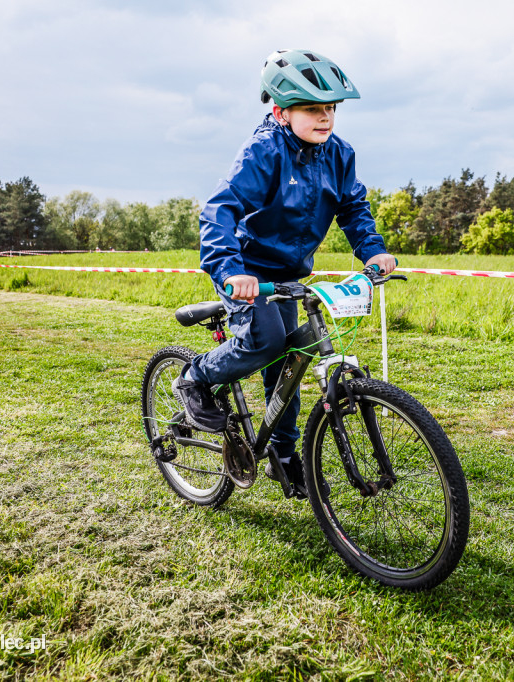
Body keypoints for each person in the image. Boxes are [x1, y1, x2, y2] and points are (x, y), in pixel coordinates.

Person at [173, 49, 395, 498]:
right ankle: (194, 379)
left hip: (290, 274)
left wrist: (373, 252)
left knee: (291, 363)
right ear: (280, 111)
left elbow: (353, 207)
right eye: (313, 108)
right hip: (246, 267)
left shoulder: (339, 154)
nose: (326, 117)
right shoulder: (263, 151)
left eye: (331, 108)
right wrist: (232, 270)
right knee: (266, 342)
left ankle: (284, 456)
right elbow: (220, 210)